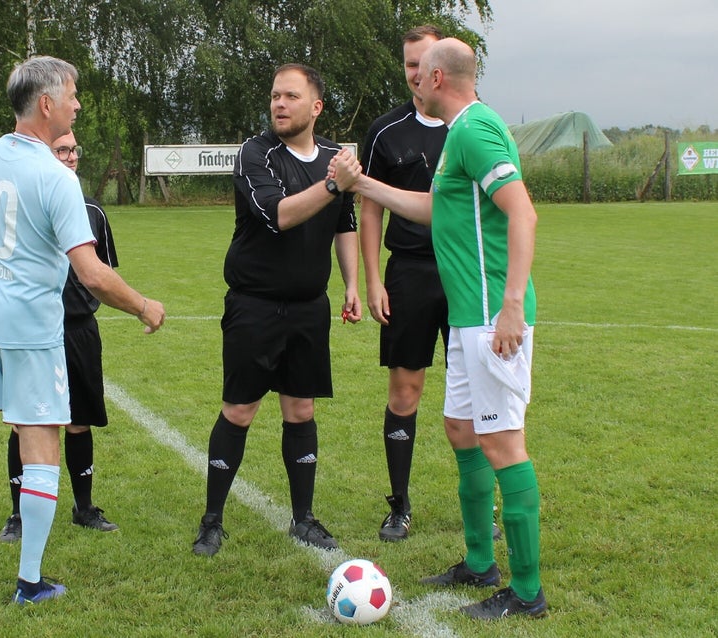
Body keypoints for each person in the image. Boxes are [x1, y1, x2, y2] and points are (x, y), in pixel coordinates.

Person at [0, 56, 165, 605]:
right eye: (72, 95)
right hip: (30, 332)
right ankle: (29, 583)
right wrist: (144, 306)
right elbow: (92, 274)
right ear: (47, 105)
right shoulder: (56, 177)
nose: (77, 104)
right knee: (42, 447)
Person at [334, 38, 547, 619]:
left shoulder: (475, 130)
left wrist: (510, 305)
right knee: (460, 429)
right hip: (466, 316)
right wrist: (361, 185)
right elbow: (436, 209)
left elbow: (523, 212)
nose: (412, 80)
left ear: (435, 78)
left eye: (418, 72)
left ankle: (527, 593)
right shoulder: (459, 132)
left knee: (502, 443)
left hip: (491, 315)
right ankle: (480, 562)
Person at [191, 63, 362, 557]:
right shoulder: (256, 153)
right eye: (275, 96)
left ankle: (303, 519)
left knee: (301, 409)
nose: (279, 104)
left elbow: (344, 223)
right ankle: (212, 521)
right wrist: (334, 185)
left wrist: (352, 284)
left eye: (291, 96)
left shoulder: (333, 157)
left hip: (310, 308)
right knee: (239, 410)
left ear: (316, 106)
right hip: (255, 305)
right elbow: (279, 215)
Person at [0, 130, 123, 543]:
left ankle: (83, 508)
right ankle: (18, 514)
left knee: (78, 422)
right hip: (33, 330)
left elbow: (103, 272)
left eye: (73, 150)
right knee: (26, 424)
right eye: (61, 150)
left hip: (79, 330)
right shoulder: (23, 204)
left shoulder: (92, 211)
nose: (70, 157)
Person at [359, 25, 450, 542]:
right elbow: (370, 207)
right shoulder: (385, 131)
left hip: (465, 273)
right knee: (405, 390)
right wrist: (374, 279)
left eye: (425, 62)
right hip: (409, 273)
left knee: (473, 393)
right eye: (409, 63)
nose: (417, 73)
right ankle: (399, 505)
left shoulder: (473, 123)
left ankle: (481, 504)